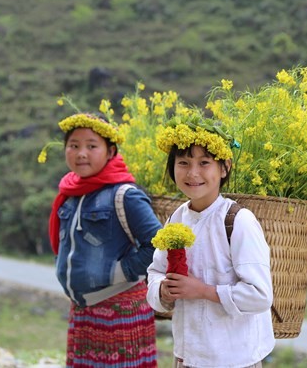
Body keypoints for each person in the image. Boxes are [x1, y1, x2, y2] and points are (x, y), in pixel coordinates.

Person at [146, 114, 275, 368]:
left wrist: (203, 291)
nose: (193, 173)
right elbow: (155, 272)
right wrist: (162, 290)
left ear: (224, 167)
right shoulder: (176, 218)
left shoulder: (238, 221)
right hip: (186, 357)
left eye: (204, 162)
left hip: (235, 360)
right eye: (183, 162)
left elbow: (260, 296)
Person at [43, 108, 162, 367]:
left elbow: (157, 245)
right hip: (83, 311)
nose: (81, 153)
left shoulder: (125, 195)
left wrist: (120, 271)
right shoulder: (70, 193)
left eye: (91, 145)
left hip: (121, 311)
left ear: (110, 152)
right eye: (73, 145)